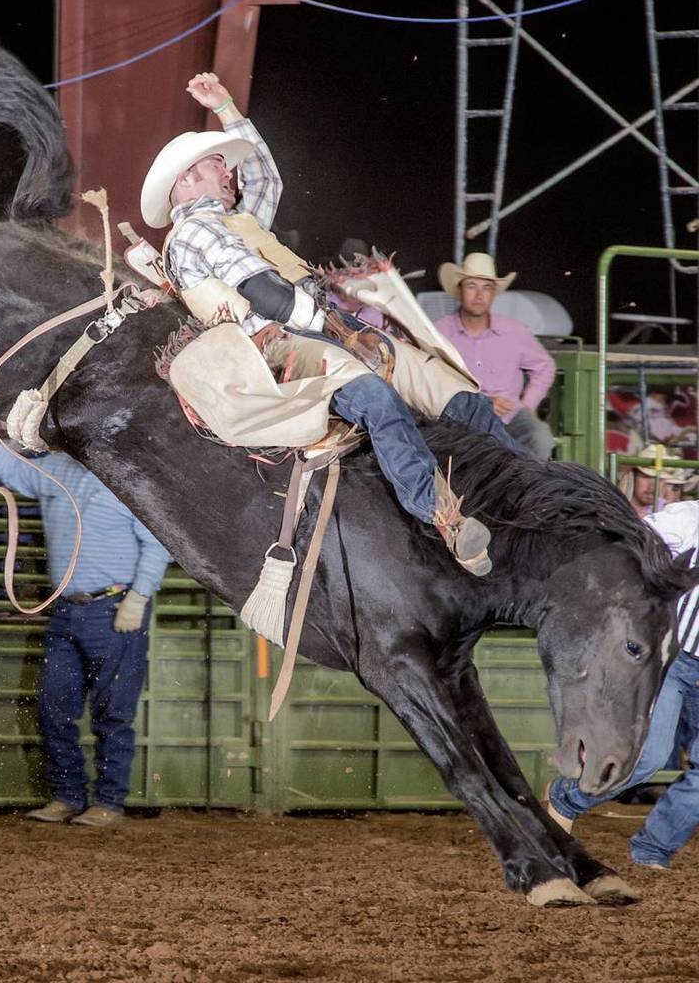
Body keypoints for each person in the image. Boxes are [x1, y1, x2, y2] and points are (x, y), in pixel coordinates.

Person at [140, 73, 525, 577]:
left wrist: (228, 109)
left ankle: (531, 482)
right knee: (375, 399)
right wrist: (326, 322)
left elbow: (266, 178)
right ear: (186, 179)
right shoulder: (194, 232)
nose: (229, 172)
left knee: (457, 396)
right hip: (280, 343)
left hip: (327, 324)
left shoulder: (237, 220)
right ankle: (443, 516)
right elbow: (263, 292)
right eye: (217, 165)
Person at [0, 410, 172, 829]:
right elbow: (11, 469)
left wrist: (139, 596)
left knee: (111, 713)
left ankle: (107, 802)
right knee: (55, 709)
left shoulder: (123, 482)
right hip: (73, 608)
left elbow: (158, 542)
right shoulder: (58, 471)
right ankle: (69, 796)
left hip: (112, 608)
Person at [547, 497, 699, 869]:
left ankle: (653, 849)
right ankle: (566, 799)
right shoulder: (687, 519)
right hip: (668, 657)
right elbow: (628, 550)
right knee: (646, 756)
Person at [435, 253, 557, 461]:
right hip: (461, 418)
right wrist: (478, 402)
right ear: (460, 290)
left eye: (487, 287)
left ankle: (526, 490)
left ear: (493, 293)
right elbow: (431, 377)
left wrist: (527, 404)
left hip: (509, 416)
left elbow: (544, 366)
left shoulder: (514, 331)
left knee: (540, 437)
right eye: (472, 286)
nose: (479, 295)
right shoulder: (441, 332)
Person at [618, 443, 689, 519]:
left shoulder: (668, 513)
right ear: (632, 476)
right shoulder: (615, 507)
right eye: (646, 477)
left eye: (660, 479)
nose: (652, 487)